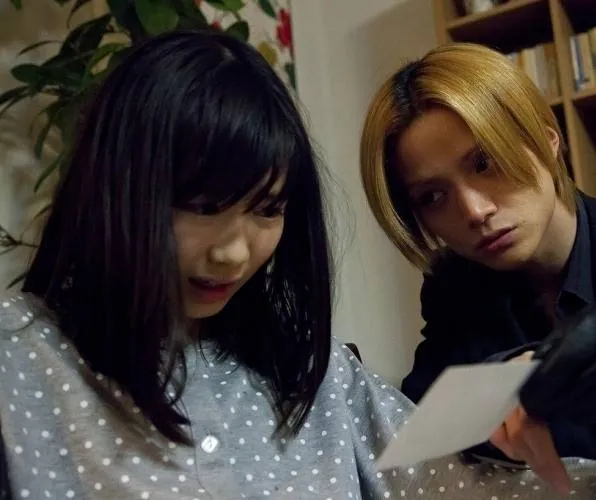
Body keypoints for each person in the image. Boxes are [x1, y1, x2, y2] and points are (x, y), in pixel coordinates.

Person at [0, 31, 593, 499]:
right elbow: (438, 438)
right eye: (203, 206)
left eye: (267, 209)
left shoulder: (313, 371)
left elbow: (454, 481)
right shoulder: (21, 357)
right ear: (117, 187)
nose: (233, 254)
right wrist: (498, 394)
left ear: (549, 140)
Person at [359, 41, 596, 476]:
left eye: (484, 163)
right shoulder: (455, 285)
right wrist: (501, 381)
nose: (474, 211)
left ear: (547, 138)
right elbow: (420, 418)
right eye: (433, 197)